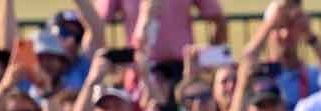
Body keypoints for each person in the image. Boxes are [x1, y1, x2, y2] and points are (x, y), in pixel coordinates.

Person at [97, 0, 226, 60]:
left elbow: (217, 18)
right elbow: (97, 22)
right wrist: (113, 63)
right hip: (139, 67)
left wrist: (211, 58)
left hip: (181, 67)